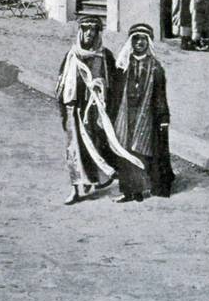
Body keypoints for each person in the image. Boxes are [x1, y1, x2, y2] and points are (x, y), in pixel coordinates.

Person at [57, 17, 139, 204]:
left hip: (97, 113)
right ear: (80, 32)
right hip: (75, 110)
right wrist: (64, 109)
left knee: (100, 148)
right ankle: (76, 188)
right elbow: (61, 84)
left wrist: (101, 88)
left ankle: (114, 182)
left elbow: (116, 85)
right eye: (86, 30)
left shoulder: (105, 57)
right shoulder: (72, 56)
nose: (89, 34)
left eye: (93, 31)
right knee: (74, 149)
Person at [110, 24, 173, 201]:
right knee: (123, 150)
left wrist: (163, 117)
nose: (139, 43)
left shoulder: (155, 68)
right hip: (125, 114)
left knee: (141, 150)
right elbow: (115, 91)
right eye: (136, 39)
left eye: (143, 40)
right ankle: (128, 190)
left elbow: (160, 96)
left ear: (149, 43)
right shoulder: (123, 64)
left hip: (146, 116)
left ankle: (140, 188)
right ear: (131, 42)